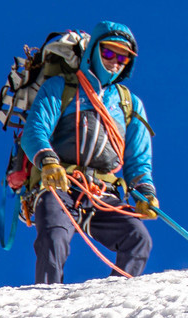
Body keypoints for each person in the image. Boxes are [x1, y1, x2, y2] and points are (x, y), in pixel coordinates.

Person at [20, 21, 158, 281]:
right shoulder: (61, 88)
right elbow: (35, 130)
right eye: (108, 53)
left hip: (102, 192)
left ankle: (114, 305)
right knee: (54, 236)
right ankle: (46, 303)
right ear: (94, 49)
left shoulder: (130, 104)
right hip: (59, 183)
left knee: (138, 239)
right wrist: (48, 162)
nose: (115, 62)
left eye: (123, 57)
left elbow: (138, 160)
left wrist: (145, 193)